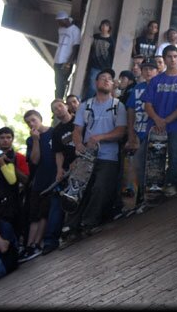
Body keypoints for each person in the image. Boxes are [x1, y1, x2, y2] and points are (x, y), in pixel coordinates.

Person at [68, 68, 128, 236]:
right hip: (87, 156)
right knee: (78, 189)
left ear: (113, 84)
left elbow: (121, 131)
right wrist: (78, 144)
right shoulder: (85, 105)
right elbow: (77, 130)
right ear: (96, 83)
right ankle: (70, 227)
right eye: (102, 78)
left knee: (100, 188)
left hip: (108, 156)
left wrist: (100, 137)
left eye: (109, 79)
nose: (106, 81)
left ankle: (89, 222)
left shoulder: (118, 106)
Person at [142, 46, 177, 197]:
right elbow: (147, 104)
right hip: (155, 126)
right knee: (154, 158)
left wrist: (166, 121)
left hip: (176, 126)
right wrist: (157, 119)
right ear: (164, 59)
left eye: (175, 56)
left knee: (175, 156)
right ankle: (152, 188)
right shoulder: (155, 80)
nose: (172, 59)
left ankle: (171, 184)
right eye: (169, 56)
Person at [19, 109, 55, 263]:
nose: (31, 124)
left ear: (40, 119)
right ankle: (29, 245)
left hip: (53, 178)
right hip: (38, 181)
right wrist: (35, 140)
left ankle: (36, 244)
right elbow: (34, 160)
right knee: (34, 214)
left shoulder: (54, 132)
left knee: (44, 213)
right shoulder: (30, 140)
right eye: (28, 122)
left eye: (33, 120)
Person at [124, 59, 157, 203]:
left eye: (151, 69)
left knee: (148, 166)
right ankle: (134, 200)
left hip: (155, 132)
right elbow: (130, 111)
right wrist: (131, 134)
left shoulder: (161, 87)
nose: (148, 71)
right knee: (134, 169)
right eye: (145, 69)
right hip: (138, 133)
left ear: (157, 71)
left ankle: (148, 196)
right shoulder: (137, 88)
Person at [45, 98, 74, 254]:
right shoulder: (56, 131)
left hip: (86, 162)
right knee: (60, 200)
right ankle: (52, 239)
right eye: (55, 109)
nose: (59, 110)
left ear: (67, 106)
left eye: (60, 106)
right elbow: (58, 153)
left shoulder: (79, 120)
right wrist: (59, 170)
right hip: (68, 168)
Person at [84, 19, 115, 100]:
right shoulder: (96, 37)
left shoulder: (111, 40)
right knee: (92, 86)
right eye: (102, 25)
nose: (104, 27)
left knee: (100, 88)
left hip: (105, 67)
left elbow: (112, 55)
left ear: (109, 28)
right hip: (94, 65)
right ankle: (86, 102)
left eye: (106, 25)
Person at [53, 11, 81, 100]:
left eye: (59, 21)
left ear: (66, 20)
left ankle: (61, 101)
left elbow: (76, 47)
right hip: (57, 60)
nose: (58, 23)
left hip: (66, 61)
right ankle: (57, 100)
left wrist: (69, 63)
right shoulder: (60, 29)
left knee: (62, 83)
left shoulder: (75, 30)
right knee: (57, 83)